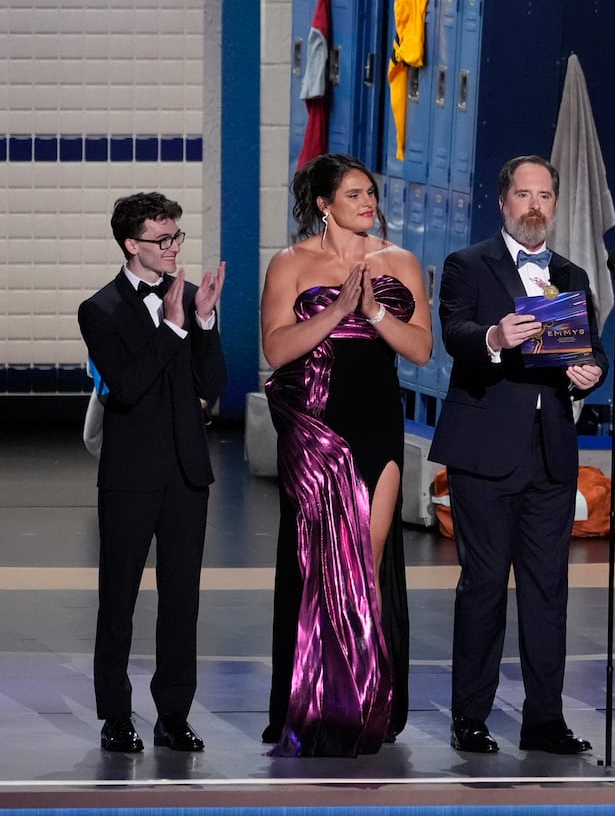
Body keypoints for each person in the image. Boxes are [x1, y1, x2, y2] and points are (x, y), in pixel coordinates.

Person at [430, 154, 608, 756]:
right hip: (485, 451)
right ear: (503, 201)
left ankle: (544, 720)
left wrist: (590, 374)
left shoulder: (573, 275)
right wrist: (494, 338)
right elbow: (453, 331)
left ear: (555, 205)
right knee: (483, 584)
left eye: (546, 196)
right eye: (524, 195)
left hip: (551, 455)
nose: (535, 206)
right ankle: (470, 717)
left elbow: (596, 353)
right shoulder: (468, 264)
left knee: (547, 590)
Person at [259, 153, 431, 756]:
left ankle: (362, 703)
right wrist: (336, 311)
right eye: (354, 194)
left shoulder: (401, 262)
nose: (368, 203)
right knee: (316, 565)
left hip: (377, 422)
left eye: (371, 193)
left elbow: (421, 351)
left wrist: (375, 312)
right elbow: (277, 350)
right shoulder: (290, 263)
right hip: (315, 425)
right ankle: (310, 703)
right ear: (325, 204)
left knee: (363, 561)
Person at [77, 192, 227, 753]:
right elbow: (129, 385)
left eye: (177, 238)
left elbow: (212, 385)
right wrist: (172, 327)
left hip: (188, 473)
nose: (172, 249)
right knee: (118, 598)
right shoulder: (100, 310)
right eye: (161, 240)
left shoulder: (190, 298)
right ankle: (116, 715)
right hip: (130, 474)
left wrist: (205, 321)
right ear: (130, 245)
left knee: (181, 599)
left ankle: (173, 713)